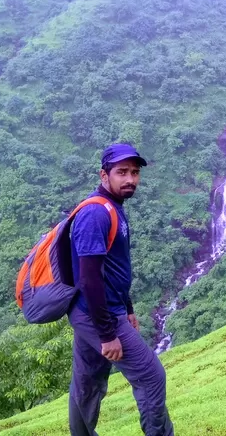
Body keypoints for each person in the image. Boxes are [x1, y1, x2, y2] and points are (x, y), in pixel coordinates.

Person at [68, 143, 174, 436]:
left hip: (98, 309)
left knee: (87, 382)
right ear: (104, 175)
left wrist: (127, 307)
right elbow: (89, 279)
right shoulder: (96, 214)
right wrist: (107, 333)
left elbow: (113, 267)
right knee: (152, 377)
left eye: (135, 173)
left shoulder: (113, 208)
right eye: (122, 172)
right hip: (96, 313)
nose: (130, 179)